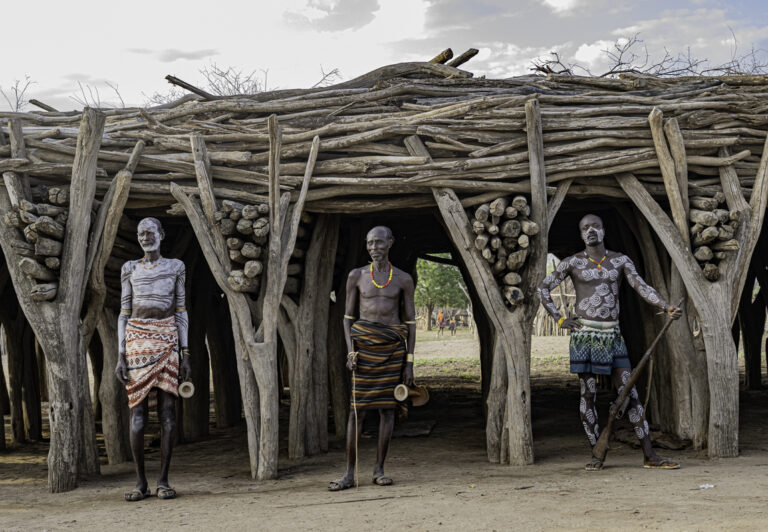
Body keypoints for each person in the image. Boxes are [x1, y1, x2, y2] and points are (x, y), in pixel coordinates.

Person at [537, 214, 682, 471]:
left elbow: (641, 285)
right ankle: (597, 454)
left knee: (630, 393)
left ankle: (650, 455)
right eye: (585, 228)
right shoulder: (573, 263)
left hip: (613, 337)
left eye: (595, 226)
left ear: (604, 230)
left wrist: (665, 305)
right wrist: (559, 319)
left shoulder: (620, 261)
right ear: (581, 234)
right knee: (588, 395)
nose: (590, 231)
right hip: (585, 337)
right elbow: (542, 288)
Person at [328, 226, 416, 491]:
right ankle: (349, 474)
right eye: (369, 243)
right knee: (357, 412)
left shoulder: (403, 279)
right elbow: (347, 319)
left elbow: (410, 322)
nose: (373, 247)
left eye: (378, 242)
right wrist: (350, 350)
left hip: (392, 351)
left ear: (390, 243)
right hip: (363, 350)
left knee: (387, 411)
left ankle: (379, 469)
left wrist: (409, 362)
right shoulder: (356, 276)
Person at [115, 218, 191, 501]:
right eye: (140, 233)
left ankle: (163, 481)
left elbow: (181, 311)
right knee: (137, 416)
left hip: (168, 341)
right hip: (136, 344)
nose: (145, 237)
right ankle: (140, 483)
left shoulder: (176, 267)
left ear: (161, 234)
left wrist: (186, 353)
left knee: (168, 415)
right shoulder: (129, 269)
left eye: (150, 232)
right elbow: (124, 313)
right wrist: (120, 355)